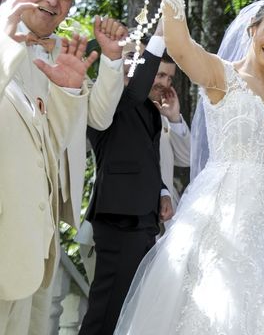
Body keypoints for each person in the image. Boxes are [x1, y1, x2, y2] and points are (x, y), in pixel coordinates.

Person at [113, 0, 264, 334]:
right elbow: (178, 41)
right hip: (224, 206)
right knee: (213, 306)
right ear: (253, 28)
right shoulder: (221, 75)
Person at [0, 0, 100, 335]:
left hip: (35, 246)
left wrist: (69, 91)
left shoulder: (54, 50)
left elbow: (48, 147)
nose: (52, 1)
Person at [79, 20, 177, 335]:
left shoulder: (148, 109)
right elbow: (133, 91)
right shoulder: (105, 101)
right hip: (120, 221)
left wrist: (162, 192)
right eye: (131, 58)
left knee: (126, 315)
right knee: (105, 316)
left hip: (142, 221)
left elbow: (144, 161)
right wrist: (161, 34)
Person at [77, 41, 191, 283]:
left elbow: (186, 157)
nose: (164, 83)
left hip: (161, 227)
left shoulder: (160, 114)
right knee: (108, 309)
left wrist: (174, 118)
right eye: (159, 74)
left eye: (170, 78)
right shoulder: (110, 106)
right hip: (117, 220)